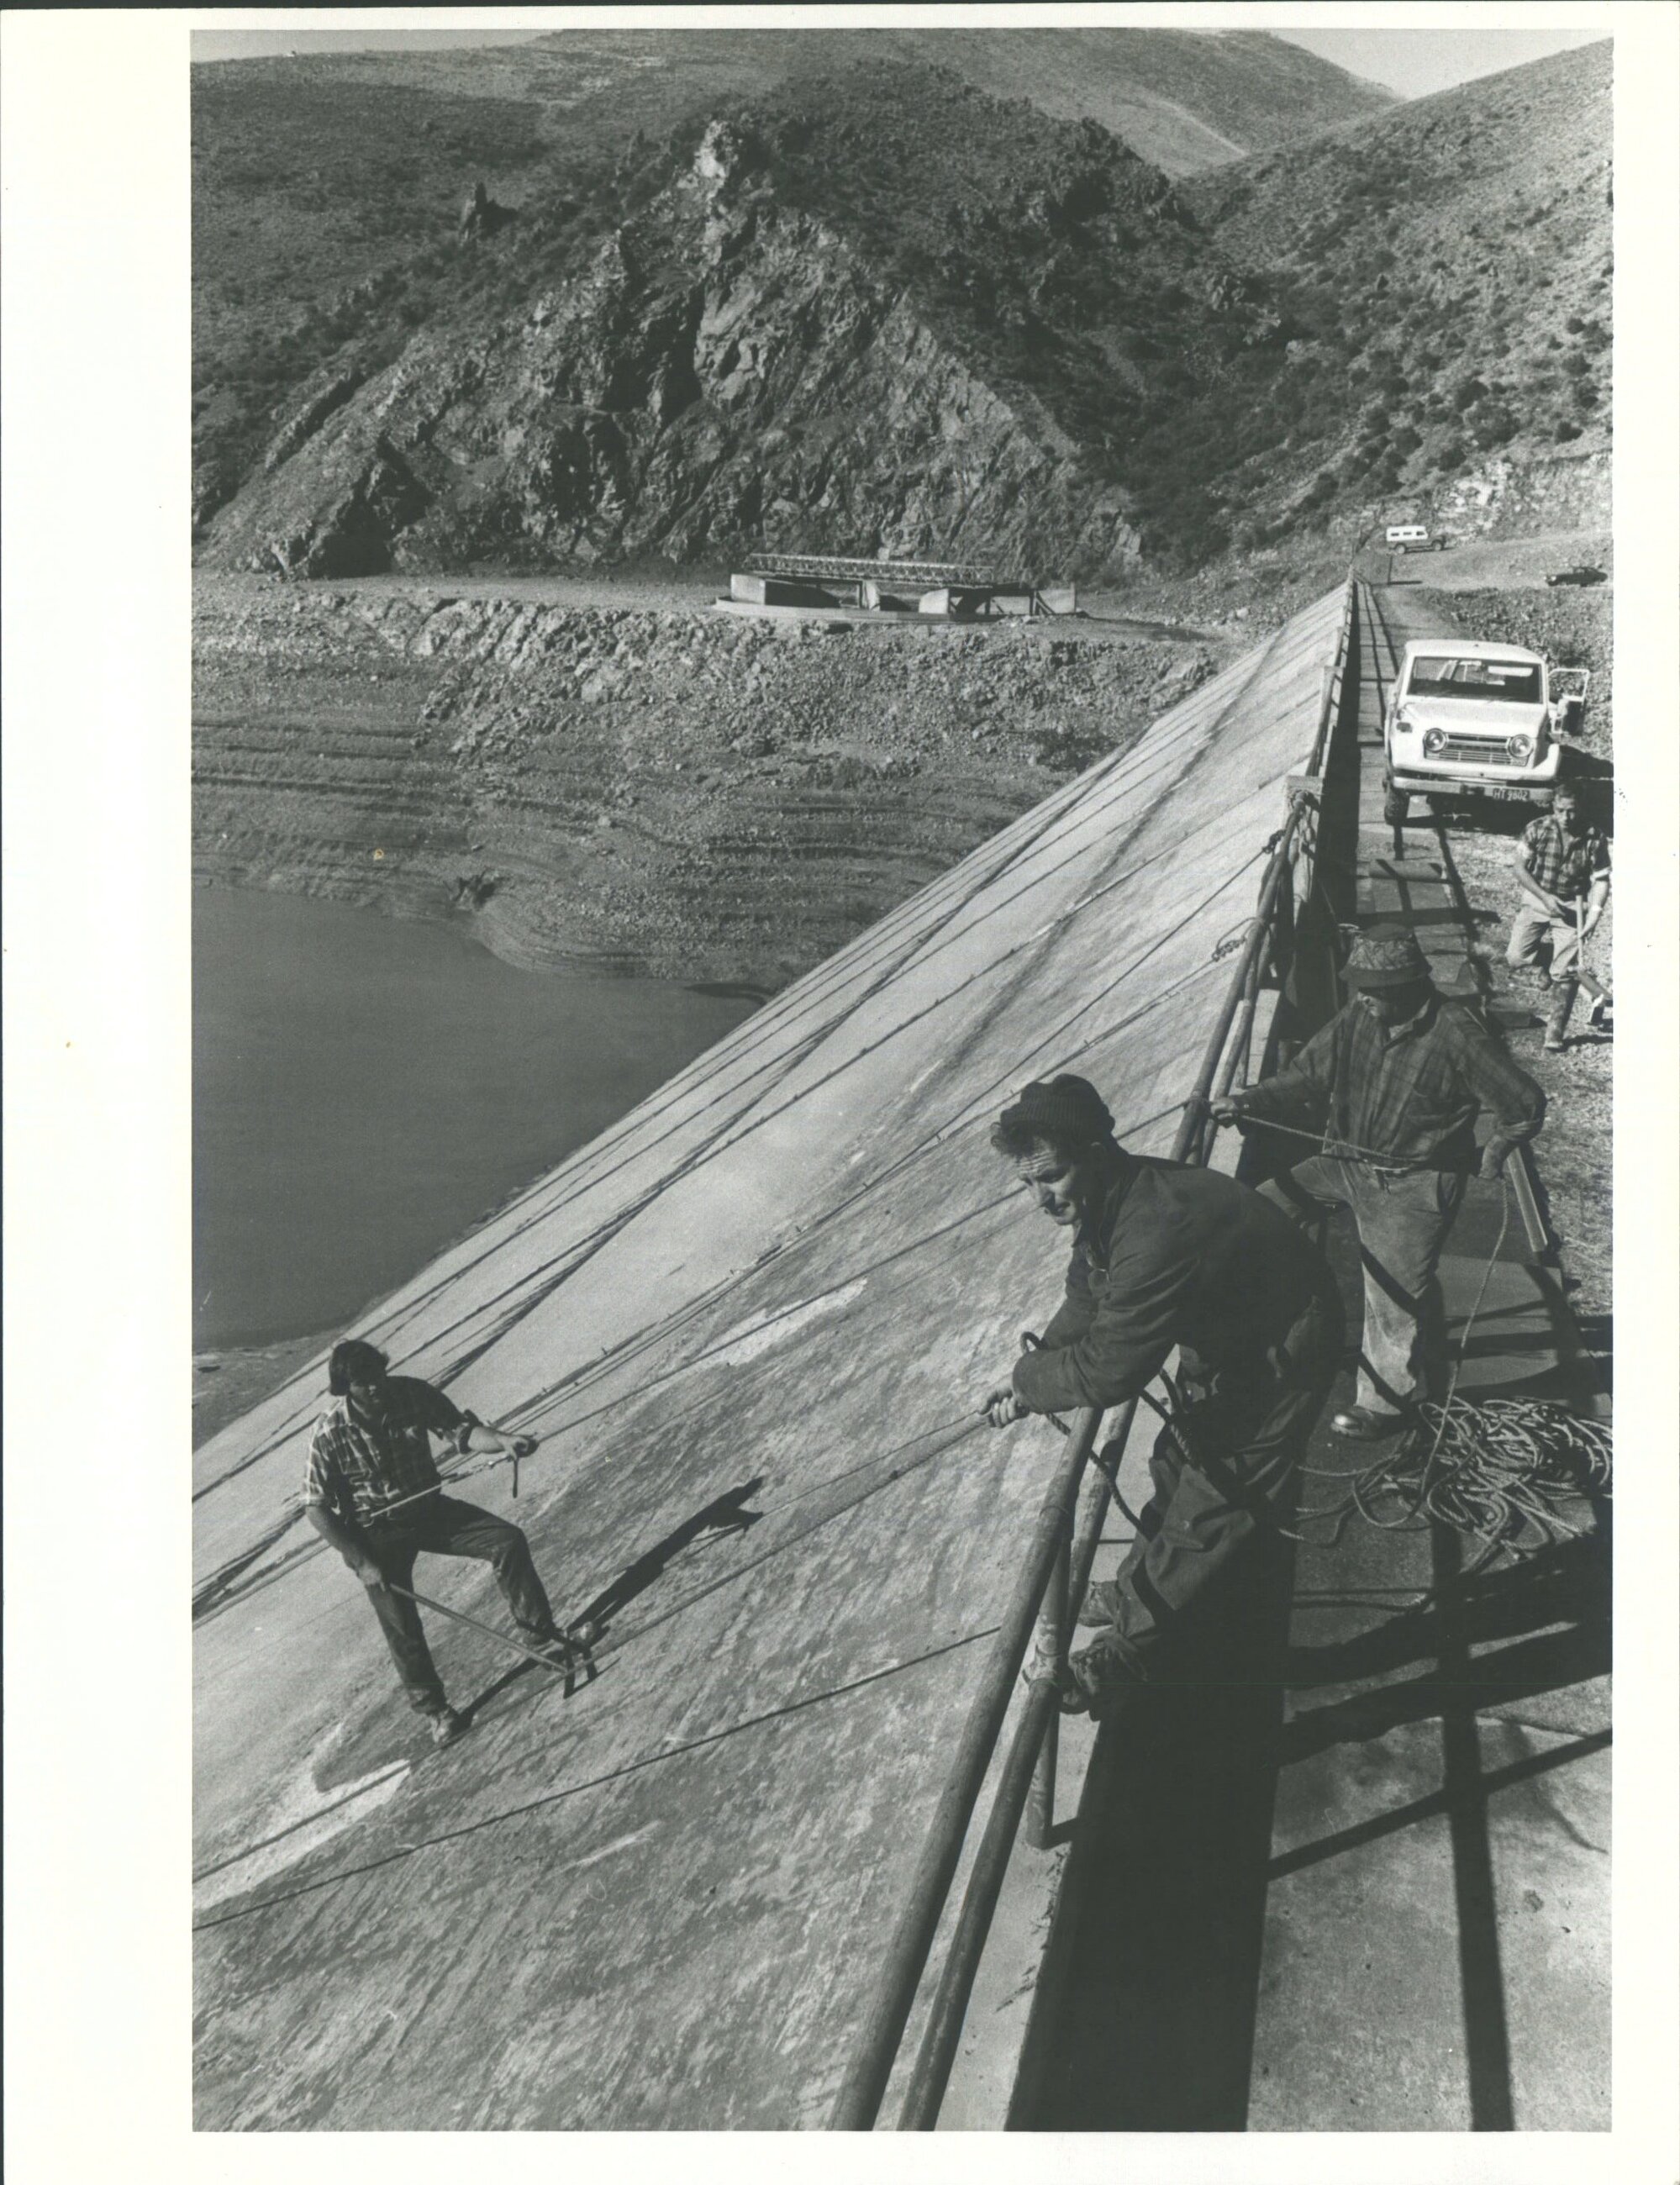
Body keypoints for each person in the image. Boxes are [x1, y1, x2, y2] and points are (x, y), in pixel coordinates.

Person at [982, 1075, 1344, 1716]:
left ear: (1093, 1151)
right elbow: (1087, 1295)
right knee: (1175, 1467)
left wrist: (1029, 1385)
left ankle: (1129, 1652)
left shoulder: (1155, 1227)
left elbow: (1108, 1372)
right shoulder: (1113, 1196)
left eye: (1051, 1177)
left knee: (1210, 1502)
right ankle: (1133, 1594)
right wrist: (1032, 1367)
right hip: (1228, 1342)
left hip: (1278, 1355)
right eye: (1026, 1184)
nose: (1039, 1198)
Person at [1212, 924, 1545, 1443]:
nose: (1361, 996)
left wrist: (1493, 1155)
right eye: (1359, 986)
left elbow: (1524, 1107)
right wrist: (1247, 1102)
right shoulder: (1360, 1014)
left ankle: (1386, 1405)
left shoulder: (1458, 1033)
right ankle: (1264, 1338)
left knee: (1390, 1301)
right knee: (1257, 1213)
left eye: (1373, 989)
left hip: (1412, 1184)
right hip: (1344, 1162)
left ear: (1407, 987)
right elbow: (1306, 1074)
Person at [303, 1339, 581, 1747]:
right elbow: (316, 1508)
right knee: (401, 1623)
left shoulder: (413, 1393)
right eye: (363, 1383)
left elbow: (462, 1433)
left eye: (378, 1375)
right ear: (347, 1389)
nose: (376, 1387)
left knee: (506, 1541)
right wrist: (362, 1561)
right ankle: (436, 1711)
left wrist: (502, 1440)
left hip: (430, 1511)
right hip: (377, 1535)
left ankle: (542, 1640)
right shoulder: (328, 1433)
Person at [1505, 784, 1611, 1049]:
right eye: (1561, 810)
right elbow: (1519, 868)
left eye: (1572, 811)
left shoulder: (1593, 837)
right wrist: (1543, 897)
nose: (1566, 817)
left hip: (1572, 907)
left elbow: (1600, 880)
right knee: (1516, 956)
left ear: (1581, 809)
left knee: (1564, 972)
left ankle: (1555, 1032)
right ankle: (1547, 960)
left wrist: (1594, 915)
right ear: (1553, 807)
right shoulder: (1537, 828)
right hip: (1538, 898)